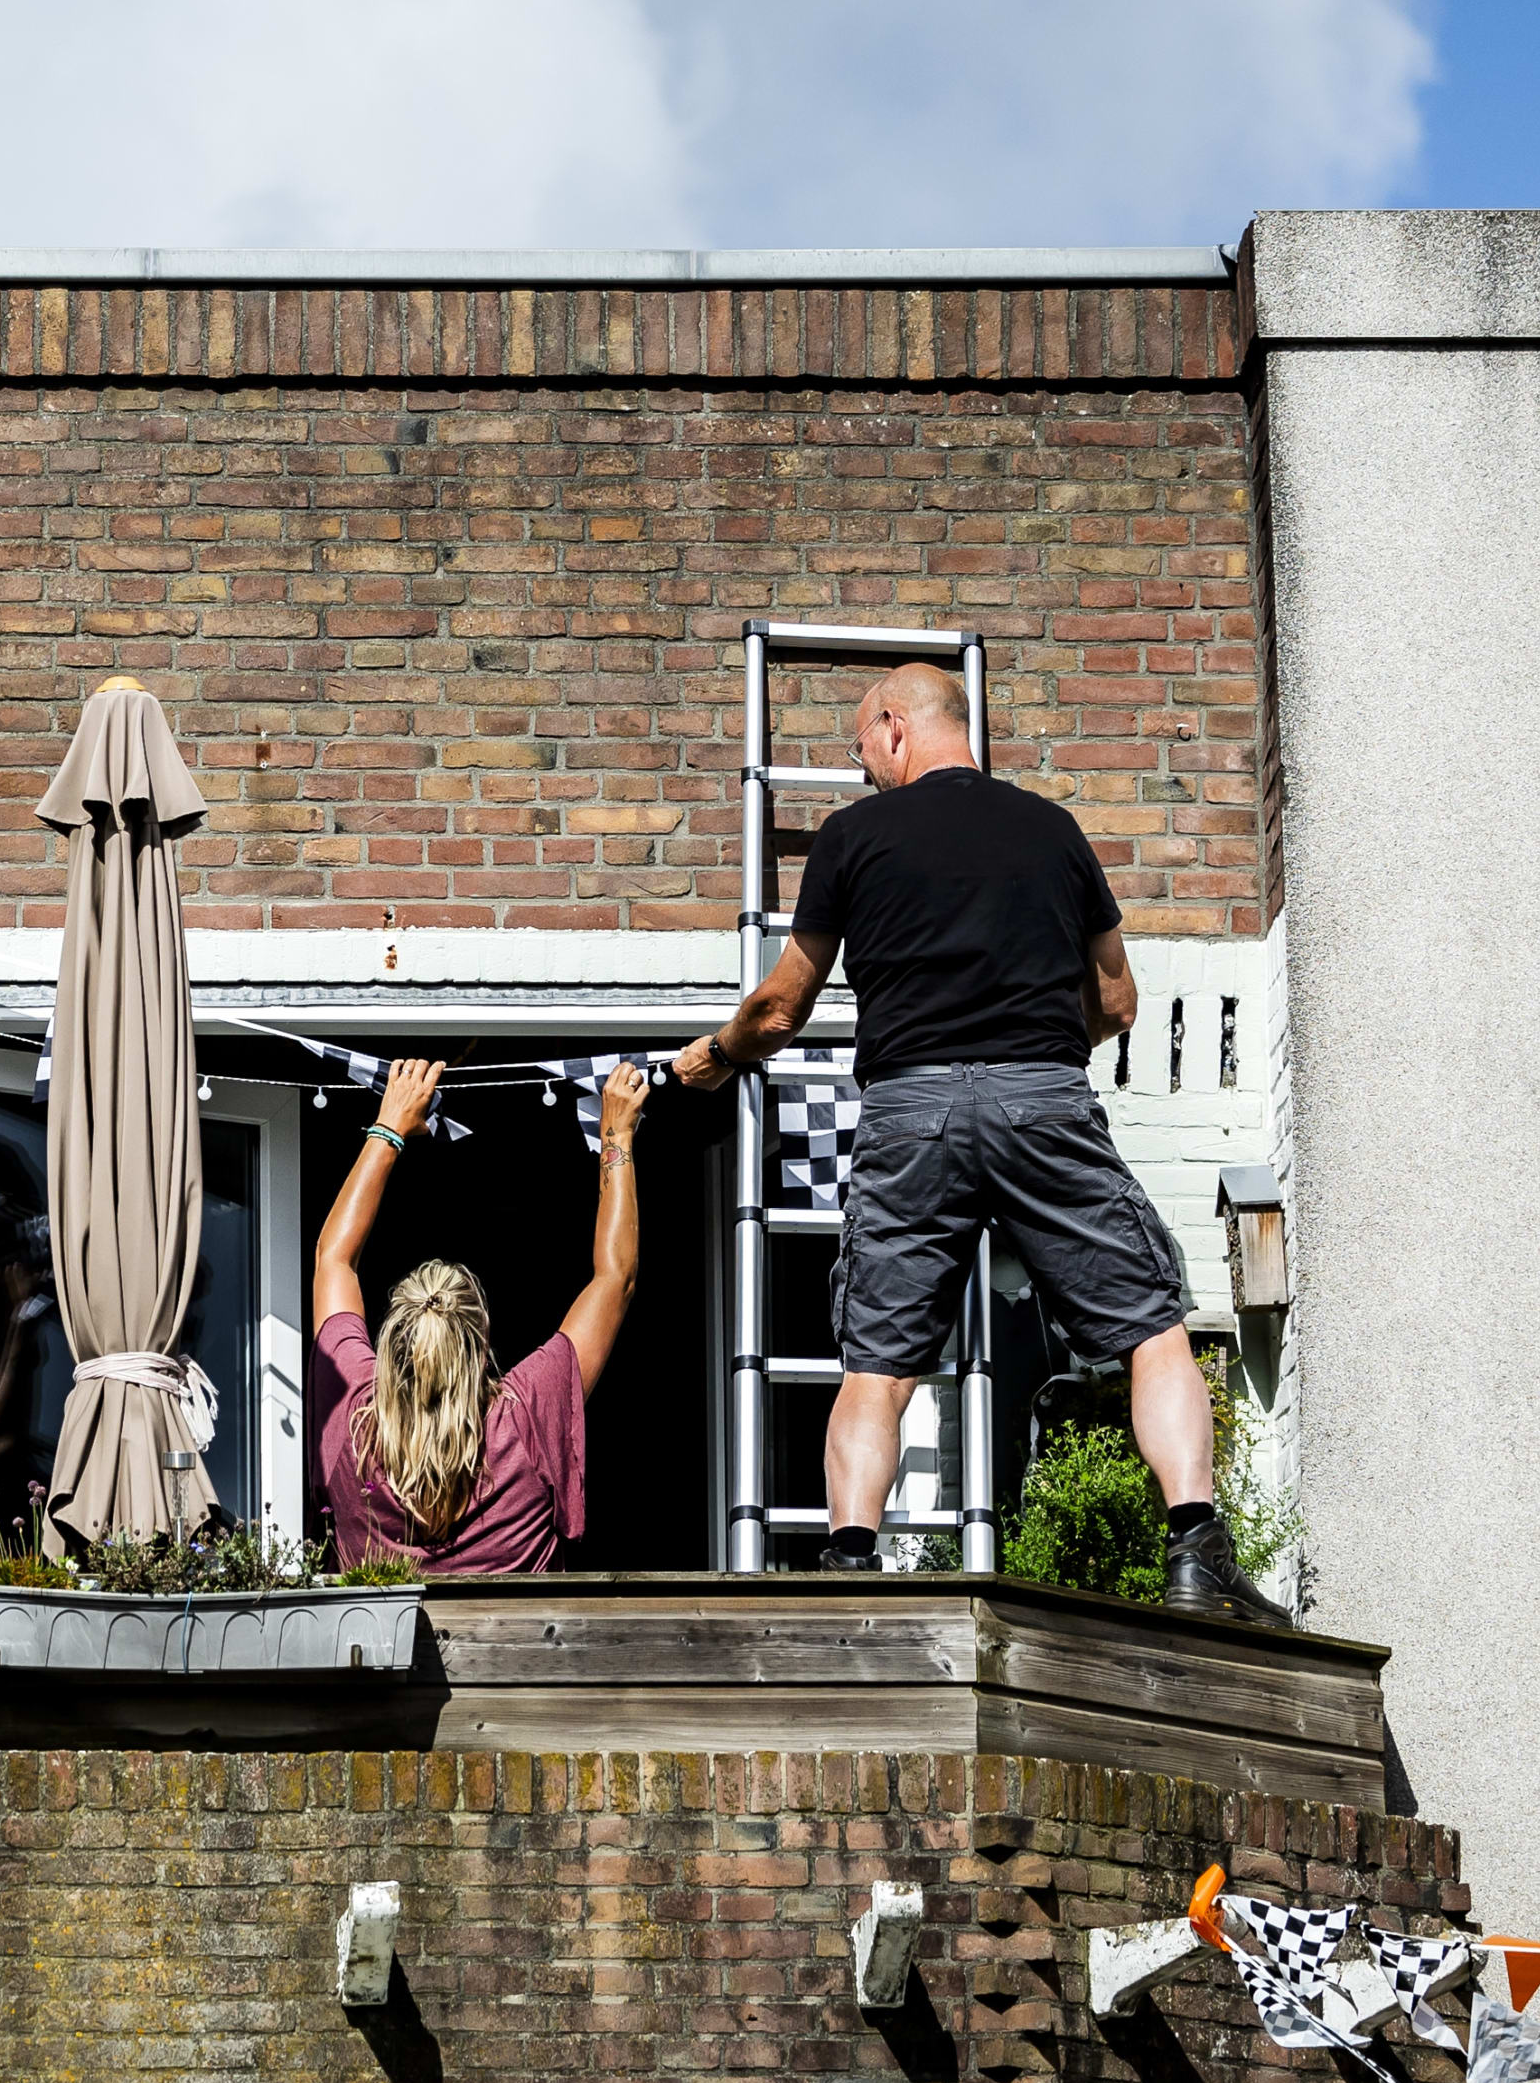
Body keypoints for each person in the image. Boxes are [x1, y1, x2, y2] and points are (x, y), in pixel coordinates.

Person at [670, 660, 1284, 1622]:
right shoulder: (1053, 830)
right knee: (1151, 1331)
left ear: (894, 727)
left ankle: (849, 1571)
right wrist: (1030, 1055)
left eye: (860, 745)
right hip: (1042, 1093)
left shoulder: (852, 838)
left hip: (910, 1111)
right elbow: (1117, 1000)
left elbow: (784, 1003)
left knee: (877, 1362)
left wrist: (716, 1054)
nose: (862, 763)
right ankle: (1197, 1556)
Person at [307, 1057, 646, 1573]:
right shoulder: (523, 1415)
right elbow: (614, 1277)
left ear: (392, 1341)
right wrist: (616, 1134)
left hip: (377, 1656)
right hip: (522, 1653)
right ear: (482, 1342)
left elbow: (334, 1256)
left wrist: (390, 1125)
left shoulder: (352, 1413)